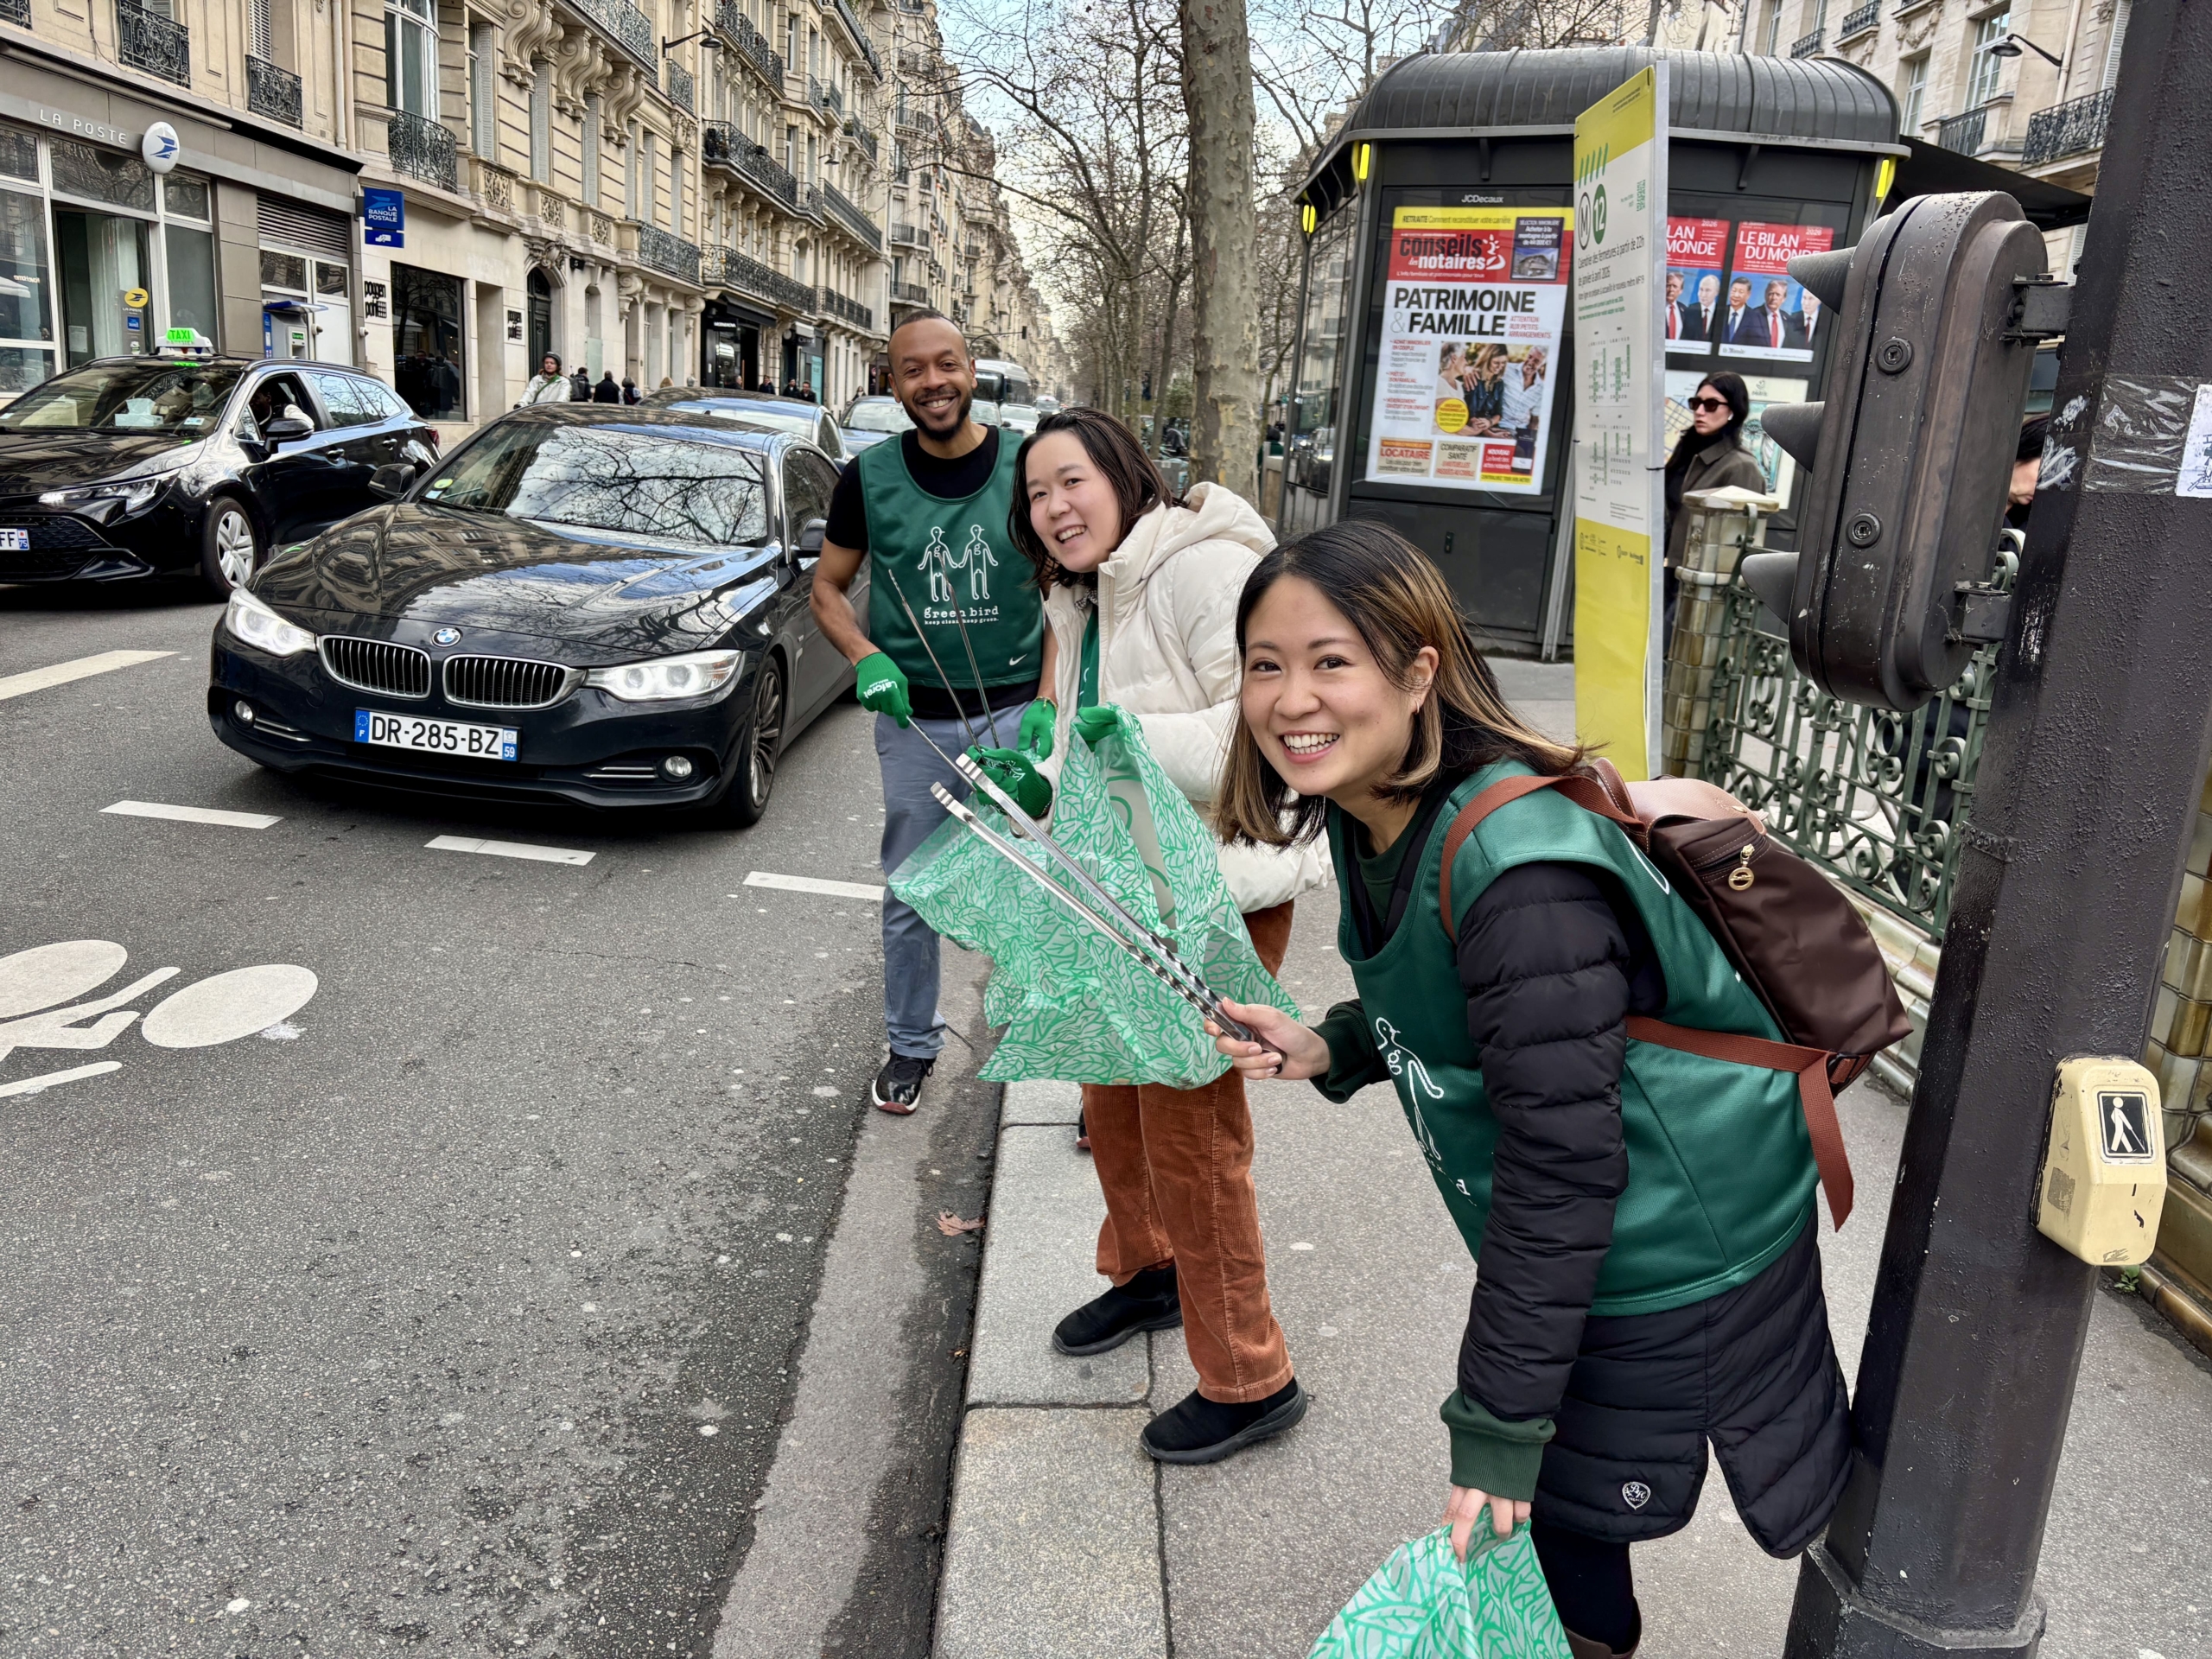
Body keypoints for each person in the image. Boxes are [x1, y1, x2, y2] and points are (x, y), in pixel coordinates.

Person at [1208, 522, 1850, 1659]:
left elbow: (1563, 1168)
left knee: (1558, 1546)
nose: (1291, 698)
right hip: (1610, 1238)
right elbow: (1487, 1012)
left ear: (1418, 672)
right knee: (1559, 1540)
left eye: (1330, 661)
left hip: (1666, 1254)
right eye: (1266, 664)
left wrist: (1497, 1423)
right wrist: (1330, 1046)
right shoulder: (1380, 811)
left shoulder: (1519, 875)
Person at [977, 407, 1331, 1464]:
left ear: (1126, 476)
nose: (1054, 507)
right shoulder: (1077, 594)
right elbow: (1073, 743)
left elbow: (1271, 726)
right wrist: (1033, 775)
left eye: (1071, 481)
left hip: (1215, 893)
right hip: (1120, 889)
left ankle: (1250, 1378)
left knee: (1192, 1137)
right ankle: (1151, 1273)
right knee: (1110, 1099)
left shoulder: (1201, 570)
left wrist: (1127, 736)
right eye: (1036, 493)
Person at [809, 311, 1046, 1115]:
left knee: (1040, 892)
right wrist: (864, 655)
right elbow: (827, 588)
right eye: (913, 370)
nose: (933, 382)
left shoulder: (1027, 466)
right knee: (913, 893)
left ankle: (1063, 1056)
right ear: (894, 383)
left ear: (971, 371)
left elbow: (1067, 593)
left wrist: (1051, 702)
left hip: (1017, 714)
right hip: (916, 725)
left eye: (947, 365)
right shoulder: (868, 479)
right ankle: (911, 1046)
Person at [1662, 372, 1767, 640]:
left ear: (1733, 411)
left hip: (1701, 583)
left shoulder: (1741, 466)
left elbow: (1740, 541)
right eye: (1696, 403)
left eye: (1711, 405)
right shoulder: (1689, 451)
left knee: (1670, 652)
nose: (1700, 411)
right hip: (1667, 571)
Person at [1784, 289, 1823, 353]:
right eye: (1804, 298)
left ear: (1819, 301)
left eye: (1811, 299)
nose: (1806, 303)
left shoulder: (1825, 321)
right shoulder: (1791, 320)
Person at [1719, 278, 1755, 346]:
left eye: (1741, 292)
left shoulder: (1754, 316)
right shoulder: (1720, 312)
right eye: (1733, 291)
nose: (1736, 295)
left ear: (1748, 294)